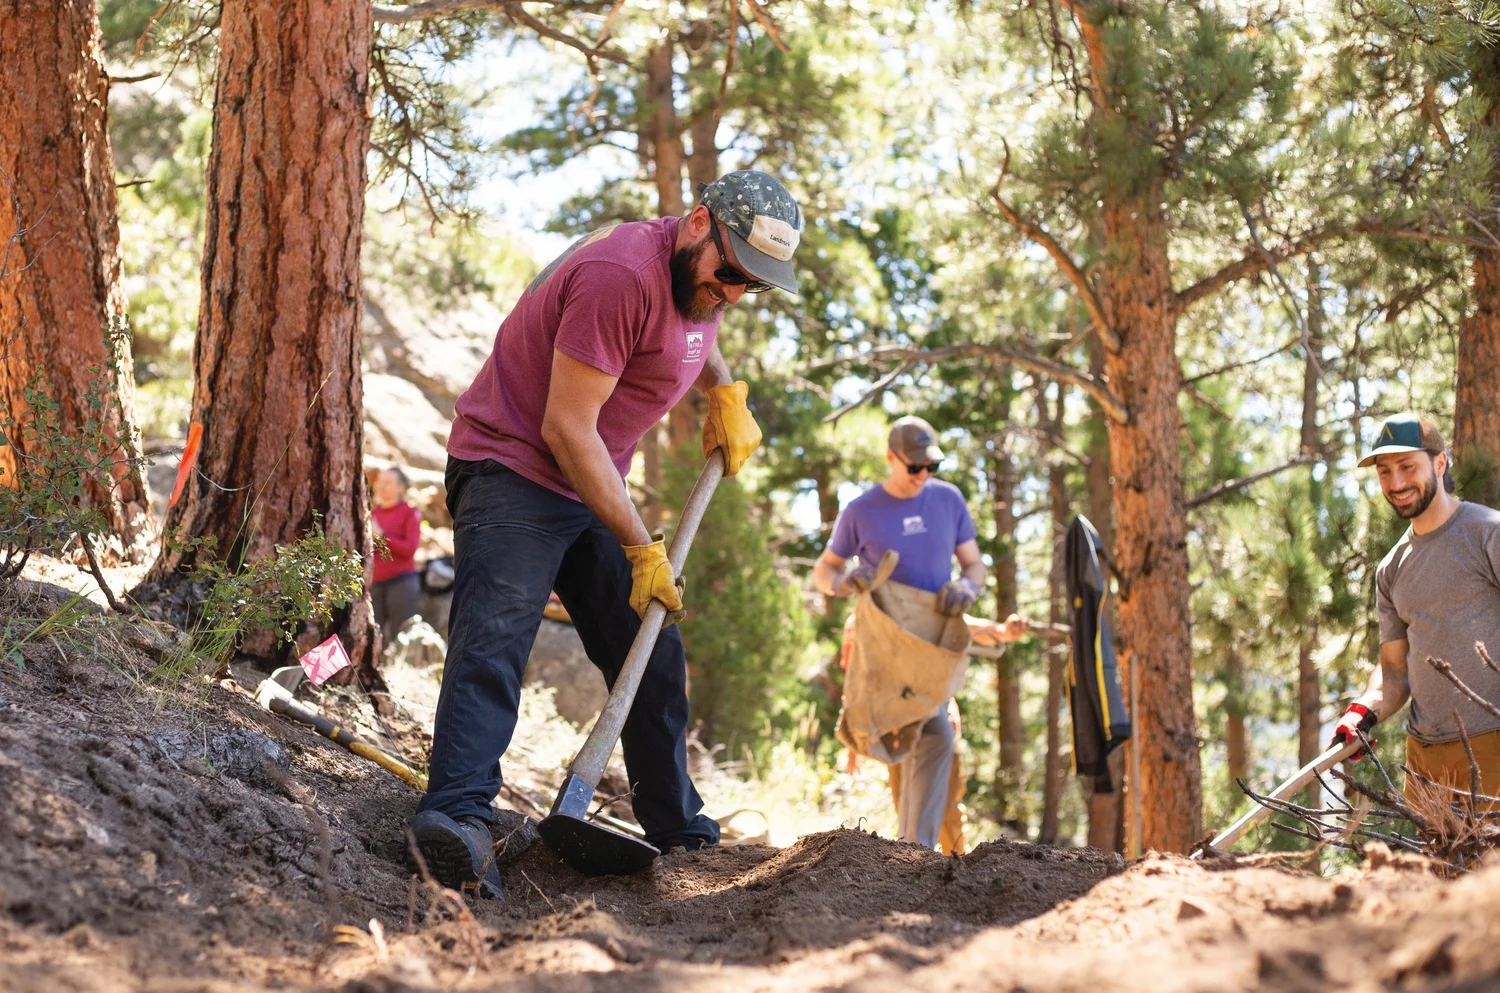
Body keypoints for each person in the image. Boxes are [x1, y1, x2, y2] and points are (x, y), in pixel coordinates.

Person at [409, 171, 805, 898]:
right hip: (514, 464)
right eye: (731, 274)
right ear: (697, 223)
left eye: (755, 285)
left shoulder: (698, 278)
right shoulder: (619, 276)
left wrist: (721, 387)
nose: (735, 294)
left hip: (586, 478)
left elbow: (693, 328)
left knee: (651, 651)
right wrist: (639, 544)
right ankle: (456, 818)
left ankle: (677, 829)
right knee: (496, 640)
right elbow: (566, 427)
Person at [813, 415, 1027, 849]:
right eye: (915, 467)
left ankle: (912, 850)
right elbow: (824, 572)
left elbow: (974, 565)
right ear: (891, 458)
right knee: (930, 734)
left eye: (932, 466)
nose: (923, 475)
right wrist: (844, 583)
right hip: (886, 646)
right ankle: (914, 850)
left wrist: (967, 586)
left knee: (931, 734)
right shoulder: (861, 511)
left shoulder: (948, 501)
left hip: (933, 645)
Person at [1331, 413, 1500, 807]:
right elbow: (1394, 670)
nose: (1396, 483)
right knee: (1432, 871)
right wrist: (1363, 711)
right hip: (1424, 760)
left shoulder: (1487, 533)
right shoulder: (1391, 568)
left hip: (1491, 748)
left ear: (1440, 464)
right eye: (1385, 472)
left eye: (1408, 467)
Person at [370, 467, 423, 647]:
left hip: (401, 582)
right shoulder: (372, 514)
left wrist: (382, 536)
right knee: (373, 631)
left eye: (388, 482)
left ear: (401, 487)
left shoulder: (410, 512)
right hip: (374, 582)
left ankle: (402, 670)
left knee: (402, 634)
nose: (381, 486)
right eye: (380, 481)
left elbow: (410, 549)